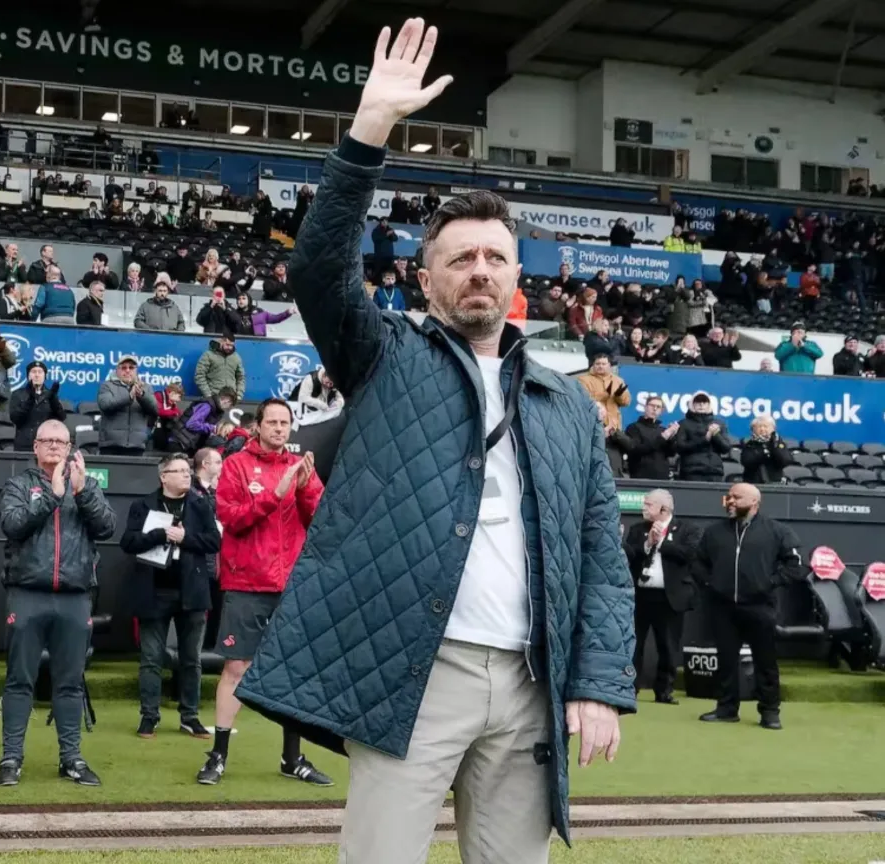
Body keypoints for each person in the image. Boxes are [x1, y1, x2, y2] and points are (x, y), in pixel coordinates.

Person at [233, 22, 636, 863]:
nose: (480, 269)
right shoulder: (385, 354)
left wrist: (598, 682)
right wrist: (369, 130)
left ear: (519, 279)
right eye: (460, 259)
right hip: (414, 672)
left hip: (531, 681)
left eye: (496, 257)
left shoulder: (565, 404)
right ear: (426, 280)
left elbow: (602, 554)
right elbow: (315, 272)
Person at [197, 399, 330, 787]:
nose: (278, 428)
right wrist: (275, 494)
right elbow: (230, 518)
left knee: (291, 674)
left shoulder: (299, 466)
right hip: (246, 584)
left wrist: (303, 490)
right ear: (257, 426)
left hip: (290, 585)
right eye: (271, 421)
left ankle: (293, 759)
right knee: (236, 669)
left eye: (284, 422)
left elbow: (319, 519)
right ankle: (218, 756)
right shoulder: (237, 465)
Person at [0, 421, 116, 787]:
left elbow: (107, 527)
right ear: (35, 446)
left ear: (70, 447)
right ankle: (11, 759)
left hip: (76, 597)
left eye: (61, 441)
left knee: (70, 683)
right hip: (28, 594)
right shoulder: (19, 484)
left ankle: (72, 759)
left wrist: (80, 493)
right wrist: (52, 494)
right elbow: (13, 525)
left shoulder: (86, 484)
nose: (54, 447)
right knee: (19, 681)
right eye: (47, 440)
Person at [120, 453, 220, 739]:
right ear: (163, 476)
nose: (187, 475)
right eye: (179, 471)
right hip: (154, 592)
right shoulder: (142, 505)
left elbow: (214, 541)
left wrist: (184, 539)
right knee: (151, 658)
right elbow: (128, 542)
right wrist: (159, 535)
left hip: (192, 591)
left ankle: (190, 716)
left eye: (188, 471)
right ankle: (149, 716)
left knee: (192, 659)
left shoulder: (200, 505)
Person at [692, 483, 804, 731]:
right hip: (723, 608)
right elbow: (698, 562)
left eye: (736, 497)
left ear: (754, 502)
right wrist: (712, 584)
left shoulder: (777, 531)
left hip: (760, 607)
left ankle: (770, 712)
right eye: (728, 497)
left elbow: (795, 565)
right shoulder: (714, 532)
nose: (729, 501)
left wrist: (768, 583)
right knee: (726, 661)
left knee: (765, 663)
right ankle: (726, 710)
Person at [622, 489, 697, 706]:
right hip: (640, 596)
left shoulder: (687, 530)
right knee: (634, 645)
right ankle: (629, 689)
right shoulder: (637, 530)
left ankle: (664, 691)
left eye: (647, 505)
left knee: (668, 646)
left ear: (663, 509)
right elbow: (630, 554)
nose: (642, 509)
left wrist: (661, 543)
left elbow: (690, 554)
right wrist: (648, 544)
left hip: (669, 598)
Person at [97, 354, 159, 456]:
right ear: (117, 370)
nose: (127, 370)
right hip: (110, 446)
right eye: (124, 368)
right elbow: (106, 405)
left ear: (136, 370)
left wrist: (142, 396)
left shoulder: (146, 388)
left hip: (136, 446)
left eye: (131, 368)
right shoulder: (107, 386)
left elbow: (155, 409)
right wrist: (129, 396)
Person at [674, 392, 733, 482]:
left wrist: (715, 435)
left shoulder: (719, 423)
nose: (701, 404)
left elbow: (726, 448)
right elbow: (680, 447)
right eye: (697, 402)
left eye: (704, 402)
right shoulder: (683, 424)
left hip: (715, 471)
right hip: (691, 472)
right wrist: (705, 439)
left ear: (709, 405)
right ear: (692, 405)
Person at [8, 361, 65, 450]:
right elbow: (15, 418)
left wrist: (53, 399)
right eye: (33, 372)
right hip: (24, 445)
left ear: (44, 376)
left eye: (40, 372)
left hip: (46, 444)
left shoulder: (50, 395)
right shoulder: (18, 394)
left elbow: (61, 417)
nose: (37, 375)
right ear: (28, 376)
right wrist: (30, 400)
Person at [621, 395, 677, 481]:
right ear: (645, 407)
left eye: (658, 407)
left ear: (661, 411)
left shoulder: (662, 429)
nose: (655, 409)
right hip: (640, 476)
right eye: (652, 405)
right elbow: (637, 449)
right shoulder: (633, 427)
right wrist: (663, 437)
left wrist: (672, 438)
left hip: (662, 477)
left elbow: (670, 453)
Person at [575, 354, 630, 430]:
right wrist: (604, 394)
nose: (600, 366)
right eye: (597, 364)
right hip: (593, 425)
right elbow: (582, 400)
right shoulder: (583, 380)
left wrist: (619, 396)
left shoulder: (618, 380)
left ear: (609, 365)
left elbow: (626, 402)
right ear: (593, 365)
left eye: (603, 364)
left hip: (614, 427)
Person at [740, 415, 793, 484]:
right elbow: (747, 461)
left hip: (776, 482)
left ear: (773, 429)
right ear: (753, 429)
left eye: (765, 426)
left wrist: (774, 447)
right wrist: (765, 452)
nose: (762, 429)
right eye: (759, 427)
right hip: (754, 483)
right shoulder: (750, 444)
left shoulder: (778, 443)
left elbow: (786, 460)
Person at [194, 336, 246, 401]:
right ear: (221, 342)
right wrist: (208, 395)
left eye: (232, 345)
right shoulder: (208, 355)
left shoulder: (236, 357)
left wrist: (239, 395)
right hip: (214, 398)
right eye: (227, 345)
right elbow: (199, 376)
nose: (229, 347)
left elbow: (241, 377)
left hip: (231, 399)